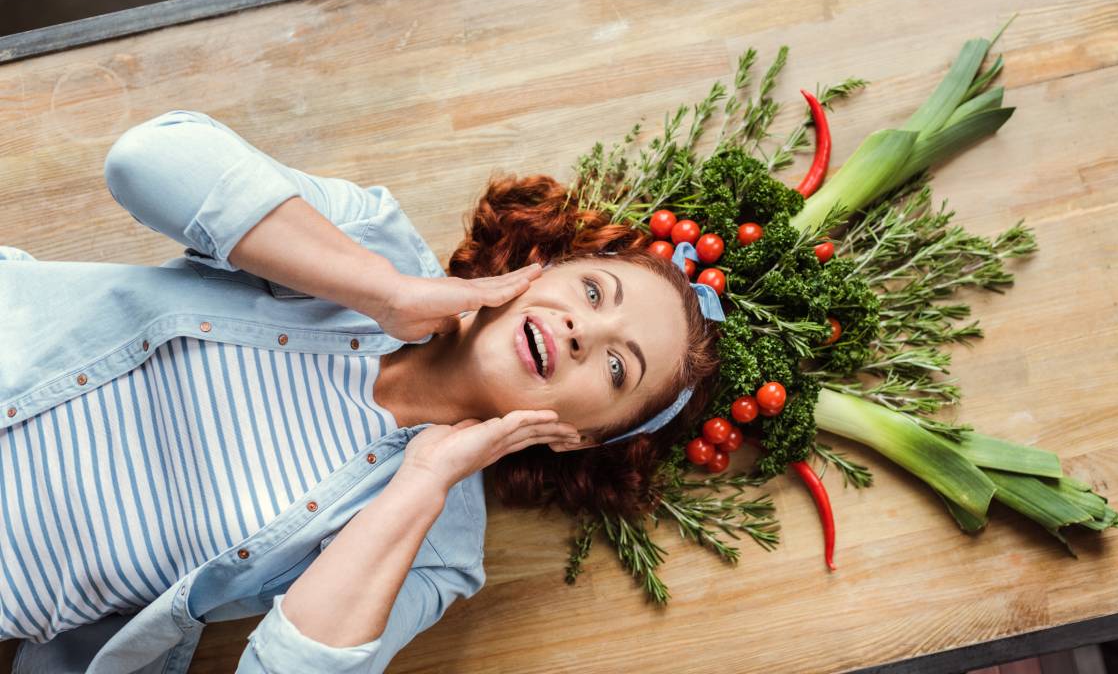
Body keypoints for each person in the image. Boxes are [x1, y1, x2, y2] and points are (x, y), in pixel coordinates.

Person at [0, 109, 722, 673]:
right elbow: (145, 159)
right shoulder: (370, 240)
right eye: (594, 291)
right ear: (543, 269)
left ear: (583, 436)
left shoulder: (437, 553)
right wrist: (385, 292)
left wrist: (425, 477)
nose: (580, 332)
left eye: (618, 367)